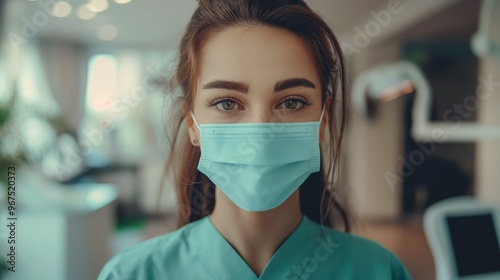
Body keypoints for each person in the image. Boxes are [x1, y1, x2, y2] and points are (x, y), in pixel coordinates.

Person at [98, 0, 413, 279]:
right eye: (227, 103)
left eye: (291, 102)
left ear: (323, 120)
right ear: (193, 124)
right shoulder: (130, 274)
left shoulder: (379, 271)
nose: (261, 134)